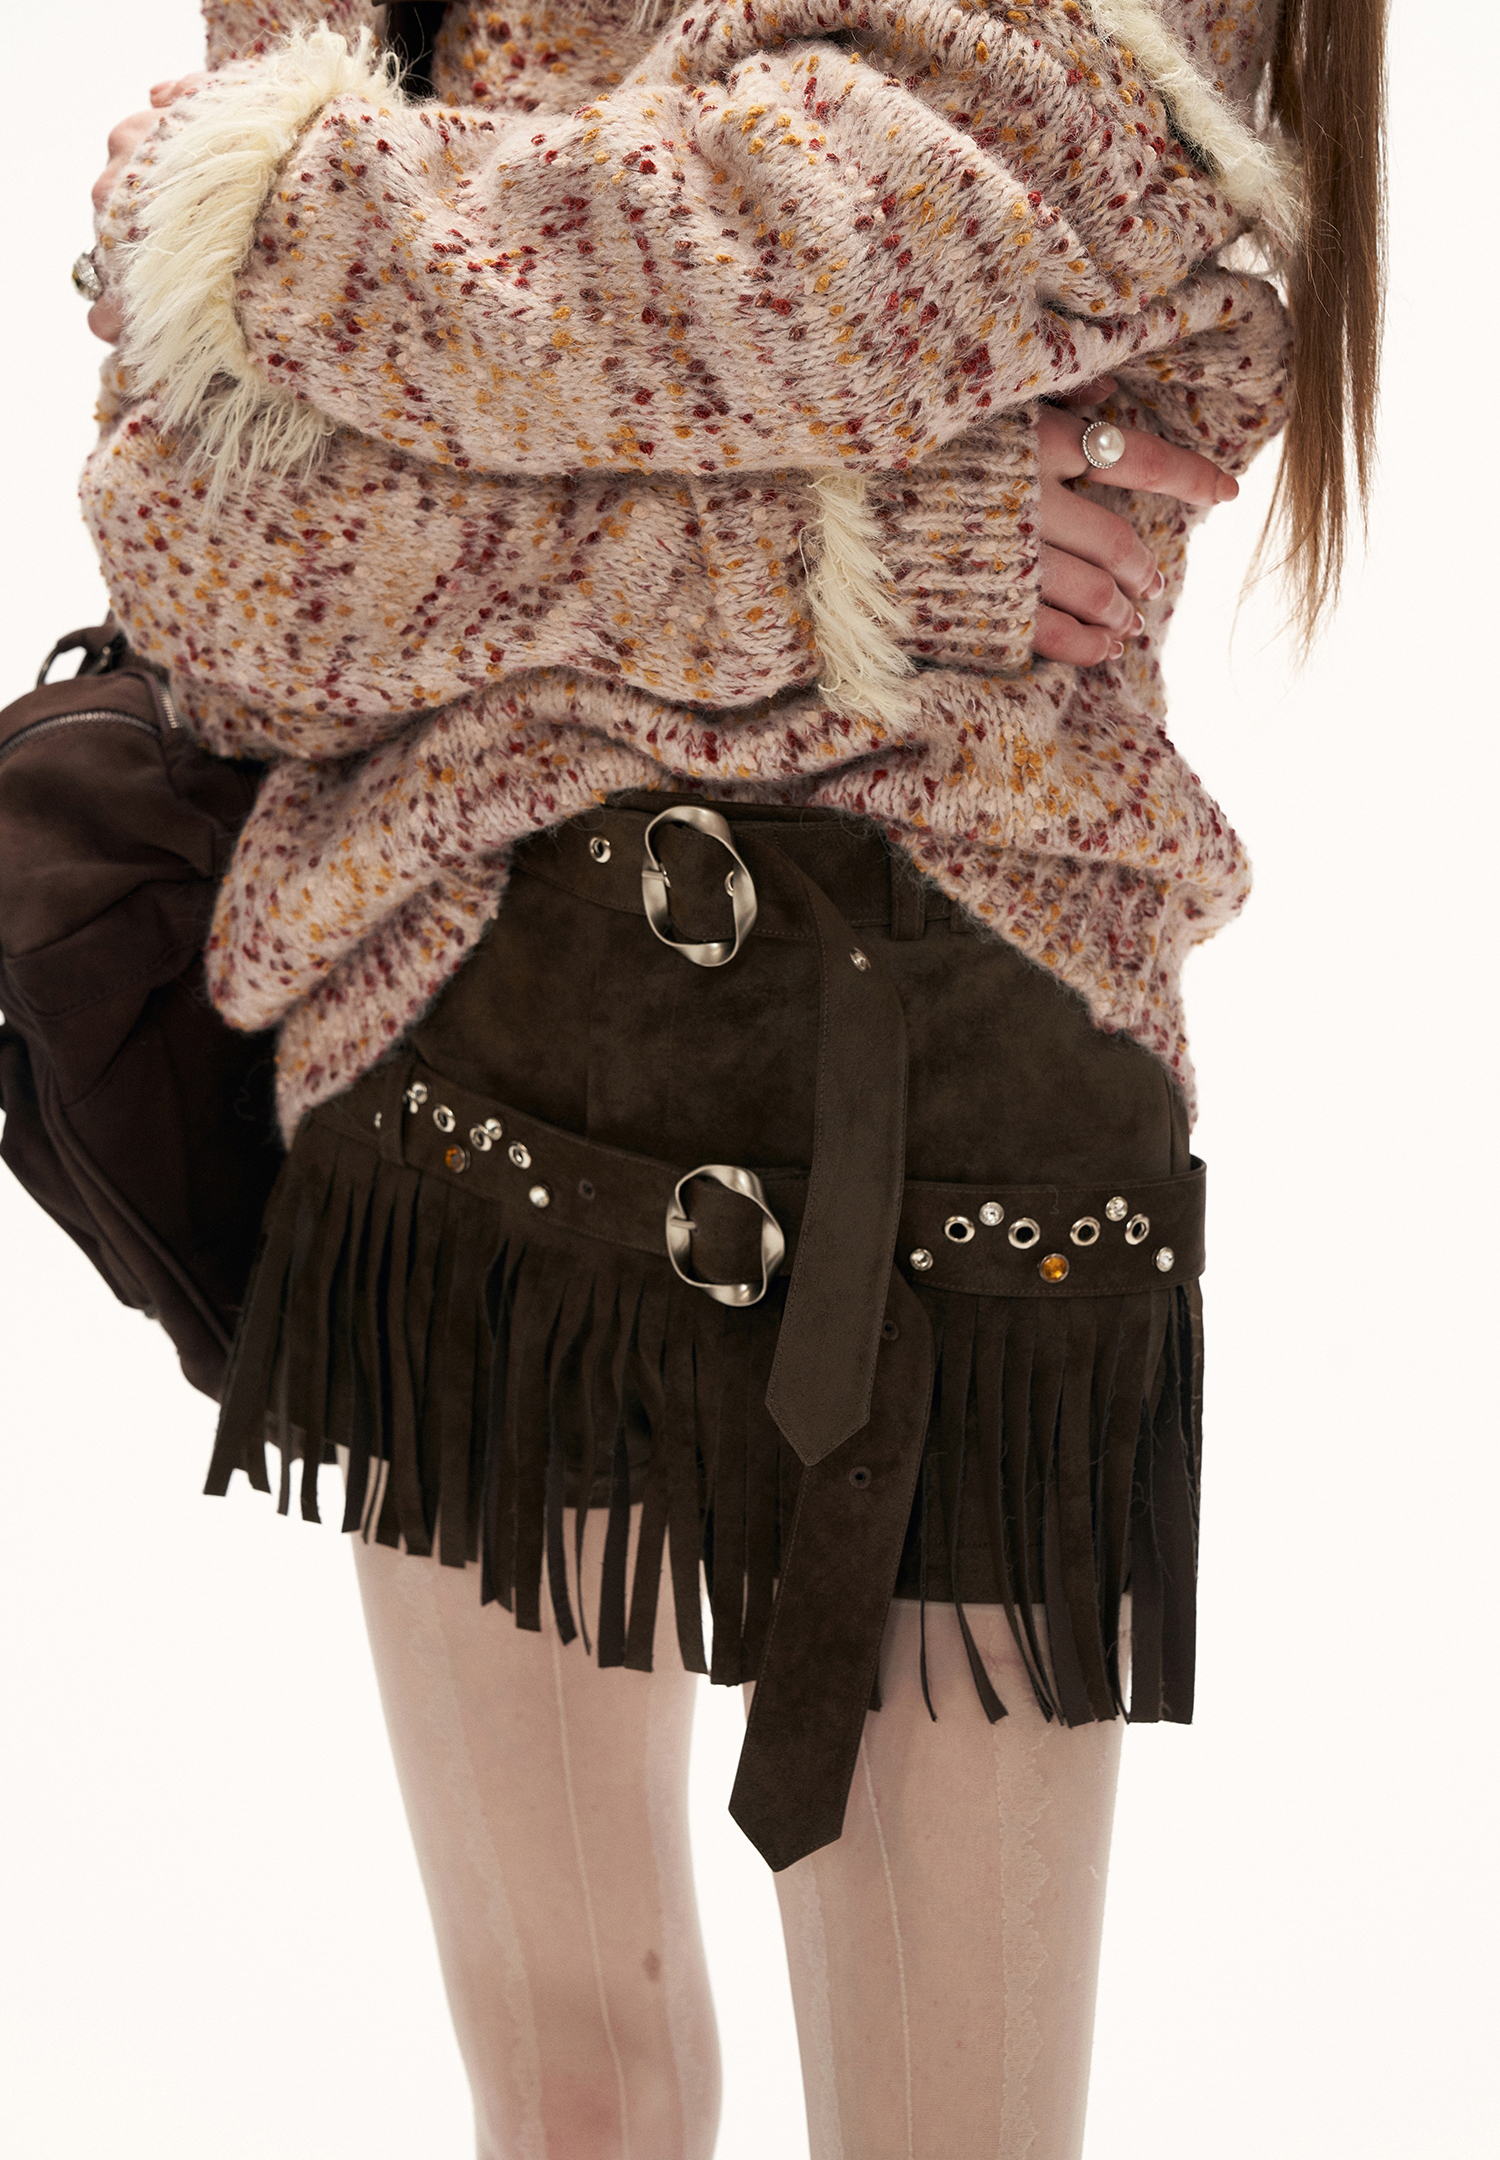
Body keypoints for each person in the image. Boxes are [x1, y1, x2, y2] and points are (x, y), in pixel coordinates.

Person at [76, 2, 1384, 2153]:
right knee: (568, 2104)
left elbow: (899, 232)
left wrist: (307, 224)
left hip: (968, 1079)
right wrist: (859, 551)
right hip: (473, 1042)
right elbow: (214, 562)